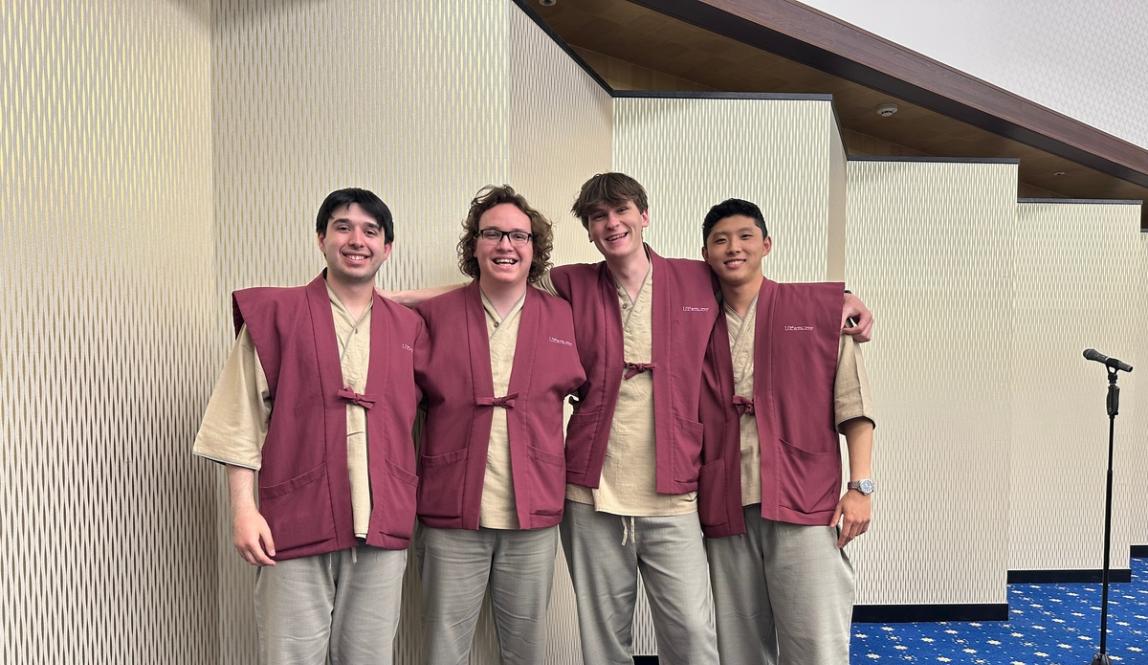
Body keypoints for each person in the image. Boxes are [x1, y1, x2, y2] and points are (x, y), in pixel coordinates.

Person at [192, 188, 424, 665]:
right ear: (321, 239)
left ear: (388, 248)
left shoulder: (409, 327)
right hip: (294, 522)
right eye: (342, 227)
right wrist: (243, 510)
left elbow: (483, 292)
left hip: (381, 526)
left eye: (370, 231)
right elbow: (240, 419)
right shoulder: (277, 315)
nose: (356, 239)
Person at [697, 198, 876, 665]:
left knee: (816, 643)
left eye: (744, 237)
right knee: (736, 647)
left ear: (766, 244)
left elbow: (854, 408)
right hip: (724, 504)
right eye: (720, 240)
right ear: (705, 253)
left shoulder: (819, 312)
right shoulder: (695, 318)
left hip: (803, 500)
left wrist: (860, 488)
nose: (732, 248)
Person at [412, 185, 585, 665]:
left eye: (518, 236)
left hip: (533, 513)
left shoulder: (564, 318)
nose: (506, 245)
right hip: (452, 511)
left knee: (525, 649)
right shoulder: (434, 316)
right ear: (475, 245)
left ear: (534, 249)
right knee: (445, 647)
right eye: (492, 234)